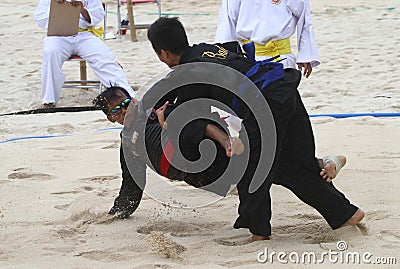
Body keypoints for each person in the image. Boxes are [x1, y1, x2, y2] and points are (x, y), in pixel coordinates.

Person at [146, 17, 363, 241]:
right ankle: (346, 213)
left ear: (162, 53)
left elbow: (195, 113)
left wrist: (167, 117)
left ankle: (258, 232)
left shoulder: (188, 73)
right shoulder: (207, 50)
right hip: (284, 88)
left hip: (265, 104)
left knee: (250, 167)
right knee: (293, 167)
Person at [93, 86, 246, 217]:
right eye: (117, 110)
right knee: (241, 181)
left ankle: (228, 141)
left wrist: (164, 122)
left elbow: (187, 113)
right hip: (196, 174)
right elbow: (132, 184)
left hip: (200, 146)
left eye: (126, 103)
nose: (125, 110)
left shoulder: (152, 110)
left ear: (133, 100)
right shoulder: (127, 143)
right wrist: (116, 214)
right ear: (111, 118)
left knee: (172, 113)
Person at [34, 0, 135, 108]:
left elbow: (98, 14)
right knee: (50, 52)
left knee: (104, 56)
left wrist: (82, 10)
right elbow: (40, 18)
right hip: (58, 35)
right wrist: (57, 9)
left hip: (84, 34)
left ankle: (126, 95)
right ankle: (49, 101)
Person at [215, 0, 320, 78]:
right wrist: (226, 58)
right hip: (247, 59)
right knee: (250, 103)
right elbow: (227, 21)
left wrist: (305, 55)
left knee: (282, 101)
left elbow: (304, 16)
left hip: (281, 57)